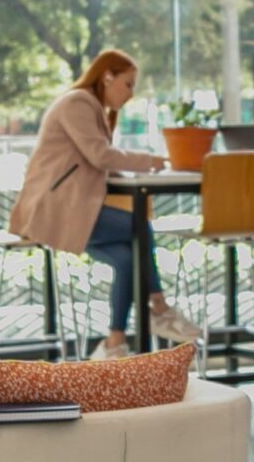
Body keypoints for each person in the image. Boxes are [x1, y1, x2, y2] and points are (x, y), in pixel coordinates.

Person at [10, 49, 203, 357]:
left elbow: (96, 160)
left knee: (128, 259)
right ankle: (160, 307)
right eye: (128, 84)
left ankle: (114, 342)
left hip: (74, 210)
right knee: (139, 227)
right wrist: (152, 161)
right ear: (107, 77)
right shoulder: (77, 103)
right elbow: (99, 155)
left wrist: (141, 165)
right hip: (56, 212)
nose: (131, 93)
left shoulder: (89, 106)